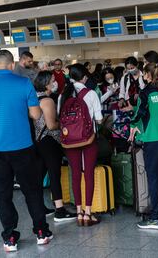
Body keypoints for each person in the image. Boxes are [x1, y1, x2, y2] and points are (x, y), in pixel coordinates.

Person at [0, 50, 52, 252]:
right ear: (12, 65)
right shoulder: (23, 83)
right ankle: (41, 231)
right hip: (22, 147)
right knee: (32, 190)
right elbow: (36, 114)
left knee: (2, 194)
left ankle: (9, 238)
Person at [128, 63, 158, 230]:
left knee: (153, 177)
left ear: (148, 75)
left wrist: (132, 125)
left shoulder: (146, 92)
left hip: (152, 138)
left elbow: (139, 113)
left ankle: (155, 218)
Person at [59, 63, 103, 227]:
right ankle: (88, 213)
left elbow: (60, 119)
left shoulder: (63, 95)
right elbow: (98, 120)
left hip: (69, 141)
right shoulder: (91, 94)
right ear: (84, 77)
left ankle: (78, 212)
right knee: (88, 174)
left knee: (75, 174)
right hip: (88, 139)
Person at [33, 71, 77, 222]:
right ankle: (59, 210)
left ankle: (39, 207)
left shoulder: (33, 98)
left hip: (37, 141)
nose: (55, 81)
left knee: (39, 175)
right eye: (52, 80)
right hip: (50, 141)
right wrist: (64, 123)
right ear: (46, 83)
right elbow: (51, 125)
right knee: (54, 174)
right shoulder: (47, 101)